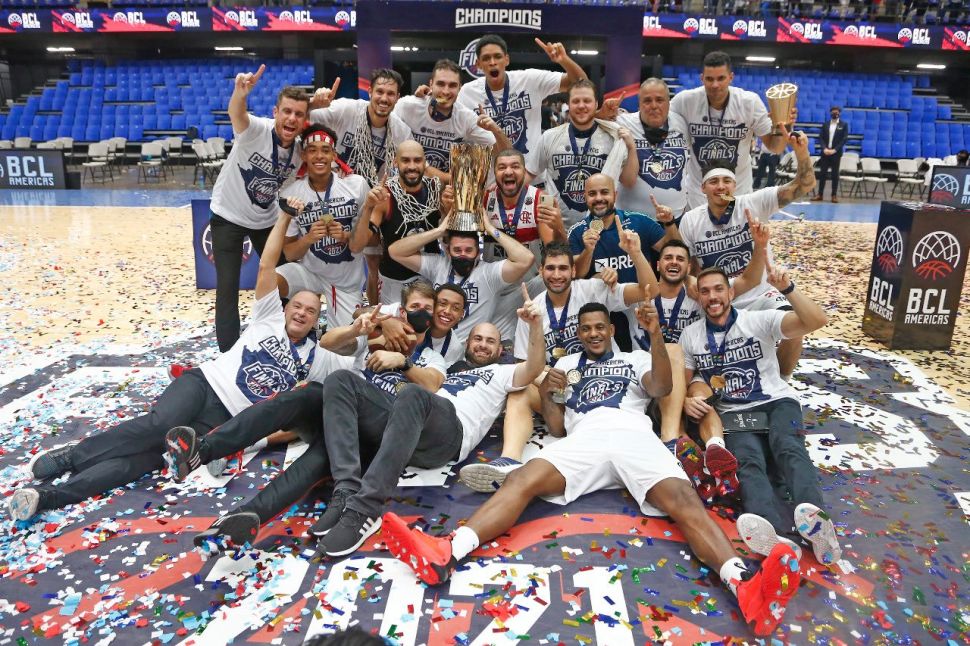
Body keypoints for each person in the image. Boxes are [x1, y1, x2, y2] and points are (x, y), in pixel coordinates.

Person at [383, 302, 804, 638]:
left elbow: (660, 387)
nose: (593, 334)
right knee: (523, 477)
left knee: (683, 500)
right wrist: (549, 394)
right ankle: (447, 551)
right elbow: (556, 426)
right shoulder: (567, 365)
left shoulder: (635, 357)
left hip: (633, 434)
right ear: (579, 333)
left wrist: (656, 336)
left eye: (600, 327)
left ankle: (743, 585)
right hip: (583, 438)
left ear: (611, 329)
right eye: (586, 329)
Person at [8, 205, 334, 521]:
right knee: (158, 425)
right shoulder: (268, 317)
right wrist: (284, 216)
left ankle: (47, 498)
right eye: (298, 306)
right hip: (203, 386)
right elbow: (266, 265)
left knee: (143, 462)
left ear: (316, 322)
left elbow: (314, 401)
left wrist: (360, 327)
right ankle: (72, 456)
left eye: (311, 311)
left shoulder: (316, 357)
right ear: (286, 307)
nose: (302, 313)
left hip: (222, 421)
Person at [172, 281, 466, 547]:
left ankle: (243, 519)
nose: (421, 313)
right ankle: (203, 448)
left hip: (375, 434)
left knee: (314, 460)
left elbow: (432, 384)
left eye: (428, 309)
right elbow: (327, 342)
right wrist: (356, 329)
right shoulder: (371, 340)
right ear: (402, 311)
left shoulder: (432, 357)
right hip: (341, 420)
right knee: (306, 394)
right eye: (415, 307)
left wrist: (402, 362)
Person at [307, 286, 547, 557]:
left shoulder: (502, 372)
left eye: (490, 341)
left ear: (500, 349)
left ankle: (365, 509)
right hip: (409, 429)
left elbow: (535, 367)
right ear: (467, 344)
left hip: (448, 436)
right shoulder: (447, 366)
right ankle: (345, 491)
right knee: (341, 380)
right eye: (477, 338)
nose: (482, 344)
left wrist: (535, 326)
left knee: (414, 394)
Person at [679, 264, 842, 568]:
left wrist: (788, 289)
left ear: (731, 293)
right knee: (747, 463)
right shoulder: (691, 335)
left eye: (718, 289)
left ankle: (818, 523)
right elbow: (687, 381)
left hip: (776, 401)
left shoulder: (758, 319)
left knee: (789, 449)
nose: (712, 296)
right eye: (705, 291)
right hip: (734, 411)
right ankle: (771, 533)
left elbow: (817, 320)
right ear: (699, 298)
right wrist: (688, 399)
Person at [459, 238, 653, 492]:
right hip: (560, 391)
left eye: (563, 268)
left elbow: (649, 290)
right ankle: (509, 460)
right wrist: (547, 379)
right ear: (541, 271)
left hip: (604, 383)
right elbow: (523, 363)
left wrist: (636, 252)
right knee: (519, 392)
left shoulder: (593, 289)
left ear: (573, 270)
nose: (557, 275)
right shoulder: (533, 308)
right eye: (550, 268)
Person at [674, 125, 815, 380]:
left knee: (796, 326)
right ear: (703, 188)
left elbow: (805, 185)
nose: (721, 187)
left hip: (761, 292)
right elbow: (689, 266)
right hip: (718, 295)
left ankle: (782, 382)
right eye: (714, 181)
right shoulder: (691, 220)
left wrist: (802, 153)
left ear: (735, 185)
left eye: (726, 181)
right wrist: (689, 280)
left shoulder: (753, 203)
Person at [210, 64, 308, 352]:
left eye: (298, 114)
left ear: (304, 120)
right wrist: (240, 94)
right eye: (286, 111)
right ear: (275, 112)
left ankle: (283, 340)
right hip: (228, 216)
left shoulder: (299, 150)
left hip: (265, 219)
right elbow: (237, 114)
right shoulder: (256, 130)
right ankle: (229, 355)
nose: (291, 118)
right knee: (228, 288)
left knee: (285, 278)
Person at [309, 68, 413, 306]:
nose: (384, 98)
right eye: (380, 92)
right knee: (321, 257)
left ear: (397, 97)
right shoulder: (347, 109)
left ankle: (375, 314)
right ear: (370, 91)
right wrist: (315, 103)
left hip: (371, 201)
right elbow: (308, 117)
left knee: (374, 263)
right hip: (334, 198)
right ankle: (314, 310)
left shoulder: (401, 131)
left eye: (390, 93)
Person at [388, 210, 535, 344]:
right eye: (457, 250)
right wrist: (439, 231)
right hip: (433, 341)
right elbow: (395, 251)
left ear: (478, 252)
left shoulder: (489, 274)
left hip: (468, 347)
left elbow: (526, 259)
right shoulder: (439, 265)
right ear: (448, 251)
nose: (463, 255)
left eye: (468, 250)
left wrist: (491, 229)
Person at [670, 51, 790, 209]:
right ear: (702, 78)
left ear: (731, 77)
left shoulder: (749, 103)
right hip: (699, 195)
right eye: (709, 79)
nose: (715, 85)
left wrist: (783, 125)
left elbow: (776, 148)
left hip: (738, 193)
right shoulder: (684, 101)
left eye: (721, 78)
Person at [277, 125, 369, 328]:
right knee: (270, 281)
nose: (319, 156)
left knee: (350, 342)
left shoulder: (356, 185)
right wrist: (308, 239)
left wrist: (346, 236)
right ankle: (273, 331)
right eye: (312, 150)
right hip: (311, 274)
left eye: (325, 150)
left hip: (346, 281)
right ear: (303, 155)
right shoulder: (291, 195)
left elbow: (369, 240)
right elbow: (289, 253)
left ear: (334, 155)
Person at [457, 35, 587, 173]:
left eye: (497, 56)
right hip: (493, 180)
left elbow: (581, 84)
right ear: (478, 64)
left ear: (507, 59)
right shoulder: (467, 92)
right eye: (486, 58)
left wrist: (564, 60)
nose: (492, 62)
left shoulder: (529, 80)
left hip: (533, 176)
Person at [483, 147, 567, 339]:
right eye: (502, 167)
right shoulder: (485, 198)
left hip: (528, 284)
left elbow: (553, 251)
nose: (508, 171)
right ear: (494, 173)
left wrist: (559, 227)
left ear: (524, 171)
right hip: (495, 287)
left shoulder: (541, 199)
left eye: (515, 166)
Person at [355, 141, 450, 305]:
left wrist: (448, 210)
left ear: (424, 163)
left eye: (417, 160)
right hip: (395, 282)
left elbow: (448, 236)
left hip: (428, 278)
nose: (412, 166)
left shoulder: (436, 189)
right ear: (395, 162)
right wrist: (368, 207)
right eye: (405, 160)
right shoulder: (384, 196)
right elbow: (358, 244)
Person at [394, 59, 510, 183]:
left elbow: (507, 154)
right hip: (406, 185)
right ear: (431, 84)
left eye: (452, 85)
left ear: (460, 88)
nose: (446, 91)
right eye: (440, 84)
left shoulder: (466, 118)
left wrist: (496, 130)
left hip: (443, 191)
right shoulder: (407, 106)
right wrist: (456, 180)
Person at [531, 80, 626, 228]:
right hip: (558, 230)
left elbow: (628, 180)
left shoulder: (613, 137)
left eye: (587, 101)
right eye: (576, 101)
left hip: (600, 230)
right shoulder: (549, 137)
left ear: (596, 104)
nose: (581, 105)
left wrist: (630, 145)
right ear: (568, 105)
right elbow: (530, 173)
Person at [616, 78, 690, 218]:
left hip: (674, 218)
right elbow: (588, 120)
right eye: (647, 101)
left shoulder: (682, 123)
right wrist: (602, 113)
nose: (654, 106)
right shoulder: (623, 123)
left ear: (669, 102)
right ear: (639, 104)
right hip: (631, 219)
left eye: (659, 100)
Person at [813, 106, 848, 203]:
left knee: (835, 175)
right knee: (822, 174)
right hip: (825, 153)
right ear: (830, 113)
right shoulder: (825, 124)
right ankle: (820, 194)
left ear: (839, 113)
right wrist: (824, 148)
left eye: (836, 113)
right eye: (833, 112)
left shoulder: (844, 125)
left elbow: (844, 139)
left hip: (836, 153)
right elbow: (821, 137)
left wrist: (835, 150)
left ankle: (834, 195)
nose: (834, 114)